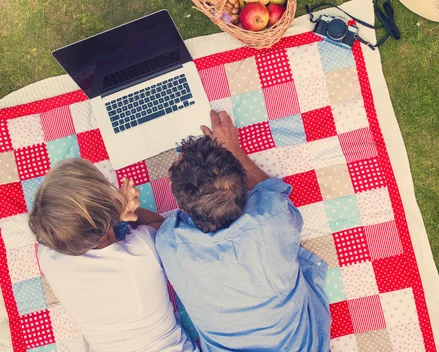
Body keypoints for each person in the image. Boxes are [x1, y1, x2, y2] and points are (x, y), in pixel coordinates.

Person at [156, 110, 332, 352]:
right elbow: (270, 190)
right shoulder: (274, 215)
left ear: (181, 206)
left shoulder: (167, 242)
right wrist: (234, 151)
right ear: (243, 184)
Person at [29, 158, 198, 352]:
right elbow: (160, 227)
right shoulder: (144, 250)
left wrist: (112, 210)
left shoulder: (49, 259)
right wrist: (124, 208)